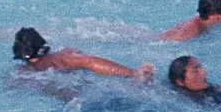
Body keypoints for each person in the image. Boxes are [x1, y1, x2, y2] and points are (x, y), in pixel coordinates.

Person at [12, 27, 153, 81]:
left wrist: (133, 74)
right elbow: (89, 61)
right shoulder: (64, 54)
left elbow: (89, 62)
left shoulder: (23, 73)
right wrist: (132, 73)